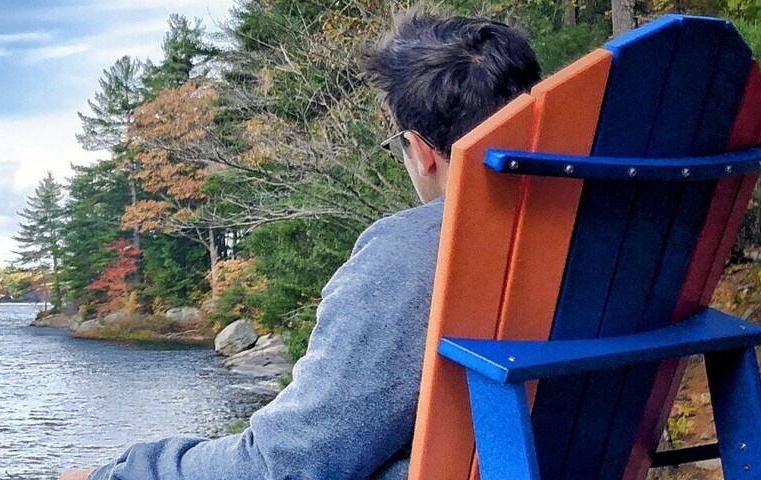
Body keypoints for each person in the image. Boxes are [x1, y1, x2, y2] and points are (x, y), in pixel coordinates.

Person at [60, 11, 542, 480]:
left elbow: (287, 466)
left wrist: (121, 472)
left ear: (418, 150)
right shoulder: (594, 235)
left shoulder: (417, 253)